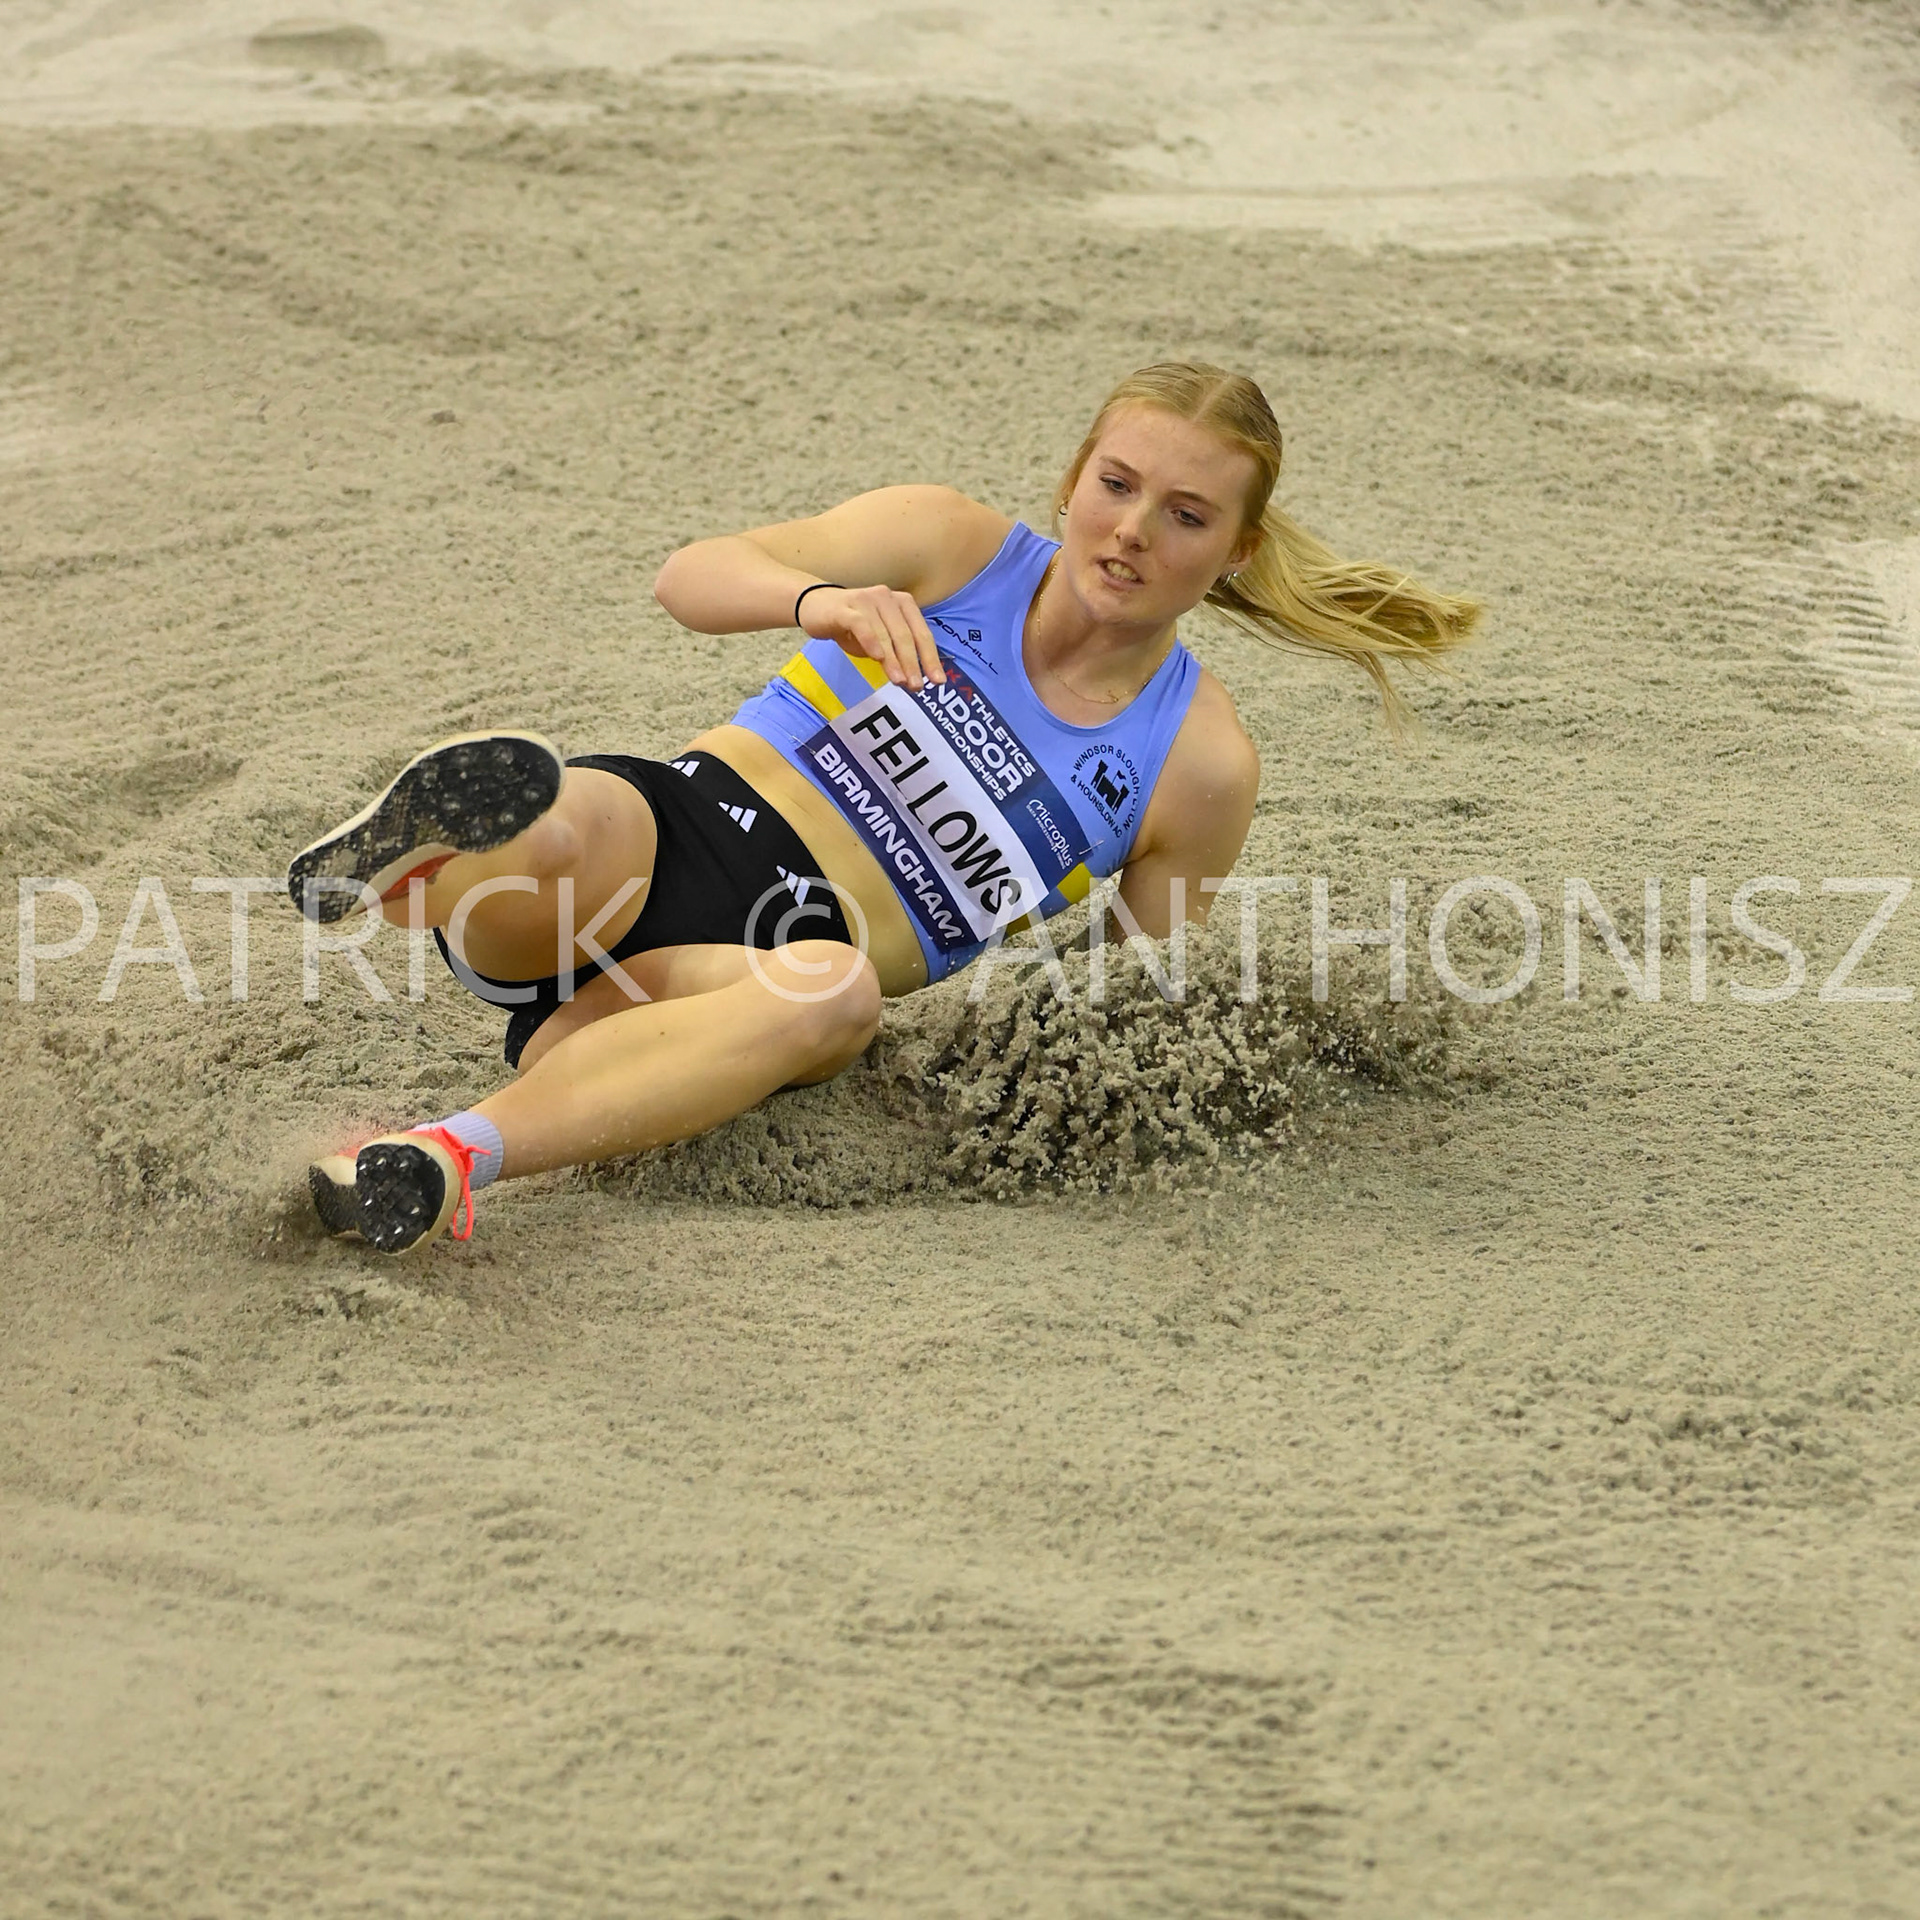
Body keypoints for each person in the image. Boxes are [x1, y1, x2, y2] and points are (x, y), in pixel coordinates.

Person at [290, 361, 1479, 1251]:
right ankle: (430, 862)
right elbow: (688, 575)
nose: (1131, 531)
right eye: (1117, 486)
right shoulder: (949, 542)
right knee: (555, 824)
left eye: (1185, 515)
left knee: (836, 994)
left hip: (743, 982)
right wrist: (821, 604)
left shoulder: (1197, 764)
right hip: (671, 829)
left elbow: (1131, 1003)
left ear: (1234, 551)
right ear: (1073, 481)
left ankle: (444, 1154)